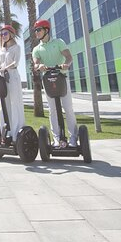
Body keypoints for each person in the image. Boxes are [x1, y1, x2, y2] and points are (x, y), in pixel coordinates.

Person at [31, 19, 77, 148]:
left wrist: (66, 64)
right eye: (35, 30)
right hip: (48, 80)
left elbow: (69, 57)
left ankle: (73, 137)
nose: (36, 32)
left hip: (62, 77)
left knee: (68, 108)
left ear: (46, 30)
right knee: (52, 110)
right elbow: (36, 62)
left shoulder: (58, 42)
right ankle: (56, 138)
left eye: (39, 30)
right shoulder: (37, 49)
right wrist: (39, 65)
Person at [0, 24, 25, 144]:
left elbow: (15, 62)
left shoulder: (16, 47)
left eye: (5, 33)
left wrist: (5, 68)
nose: (2, 36)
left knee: (15, 104)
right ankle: (6, 133)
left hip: (12, 77)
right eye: (1, 34)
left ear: (11, 34)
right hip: (2, 79)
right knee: (3, 106)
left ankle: (17, 134)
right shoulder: (2, 50)